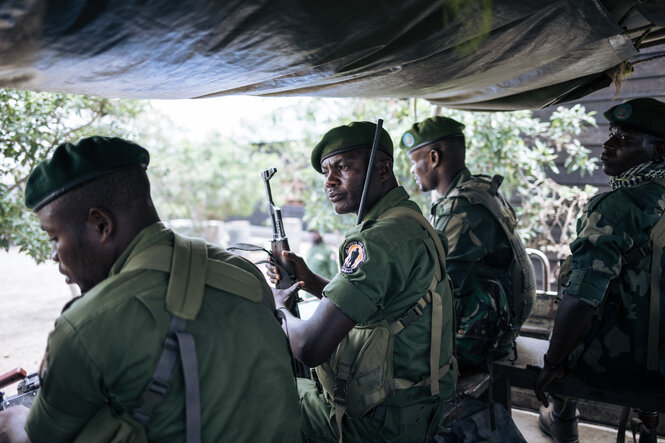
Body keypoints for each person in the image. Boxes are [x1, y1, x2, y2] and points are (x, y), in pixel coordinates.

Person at [0, 136, 302, 443]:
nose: (54, 255)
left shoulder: (86, 325)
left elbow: (38, 438)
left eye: (54, 238)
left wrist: (14, 420)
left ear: (101, 224)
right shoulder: (242, 272)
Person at [269, 121, 457, 443]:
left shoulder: (377, 240)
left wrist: (279, 309)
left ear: (383, 170)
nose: (329, 182)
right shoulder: (409, 220)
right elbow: (382, 306)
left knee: (264, 391)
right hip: (417, 407)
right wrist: (310, 280)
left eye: (343, 167)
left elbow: (309, 348)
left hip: (377, 422)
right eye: (326, 171)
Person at [534, 98, 665, 443]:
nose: (607, 145)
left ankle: (562, 417)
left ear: (659, 150)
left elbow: (582, 298)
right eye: (611, 134)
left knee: (566, 332)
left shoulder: (618, 207)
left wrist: (552, 362)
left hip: (625, 363)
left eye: (624, 140)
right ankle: (648, 425)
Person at [400, 116, 535, 370]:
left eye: (413, 162)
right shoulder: (481, 190)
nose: (411, 171)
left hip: (482, 341)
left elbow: (433, 286)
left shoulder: (459, 209)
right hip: (503, 327)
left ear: (433, 158)